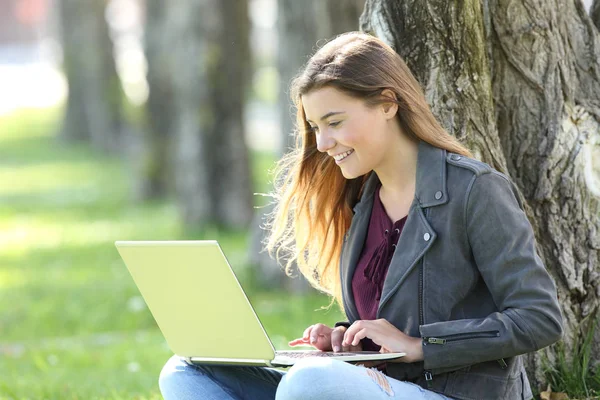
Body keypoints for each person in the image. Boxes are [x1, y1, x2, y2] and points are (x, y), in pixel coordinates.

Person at [158, 31, 564, 400]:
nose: (324, 143)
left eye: (334, 122)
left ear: (388, 104)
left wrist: (422, 345)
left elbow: (539, 317)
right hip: (380, 386)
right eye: (316, 127)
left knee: (309, 383)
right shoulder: (361, 201)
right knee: (187, 371)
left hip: (456, 394)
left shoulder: (475, 190)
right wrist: (346, 341)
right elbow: (386, 324)